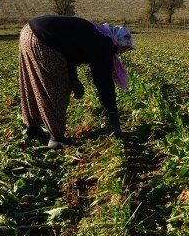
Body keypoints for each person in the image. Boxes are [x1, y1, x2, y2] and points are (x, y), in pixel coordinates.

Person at [18, 15, 134, 149]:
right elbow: (103, 80)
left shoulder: (97, 32)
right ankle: (56, 138)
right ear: (117, 40)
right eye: (124, 48)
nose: (122, 52)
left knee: (32, 82)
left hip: (28, 32)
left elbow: (67, 50)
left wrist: (73, 78)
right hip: (44, 40)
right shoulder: (104, 43)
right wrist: (112, 112)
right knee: (57, 88)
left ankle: (32, 128)